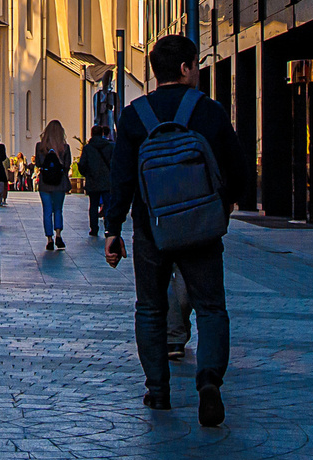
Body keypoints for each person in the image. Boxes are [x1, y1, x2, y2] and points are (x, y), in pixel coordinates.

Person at [103, 33, 242, 428]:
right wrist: (225, 205)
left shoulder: (133, 116)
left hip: (152, 229)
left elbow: (122, 179)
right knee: (211, 308)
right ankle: (209, 382)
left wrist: (113, 229)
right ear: (185, 68)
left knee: (150, 308)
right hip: (201, 230)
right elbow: (236, 168)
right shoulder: (209, 111)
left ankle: (158, 391)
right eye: (195, 65)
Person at [34, 121, 72, 251]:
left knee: (47, 210)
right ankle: (58, 234)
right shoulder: (65, 148)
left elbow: (38, 164)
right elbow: (67, 166)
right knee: (58, 209)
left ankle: (49, 238)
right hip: (59, 183)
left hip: (45, 183)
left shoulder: (40, 147)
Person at [80, 120, 114, 237]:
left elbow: (82, 164)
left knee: (93, 206)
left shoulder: (88, 148)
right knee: (108, 205)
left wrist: (87, 174)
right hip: (107, 181)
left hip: (93, 181)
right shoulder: (109, 147)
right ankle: (108, 227)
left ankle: (94, 228)